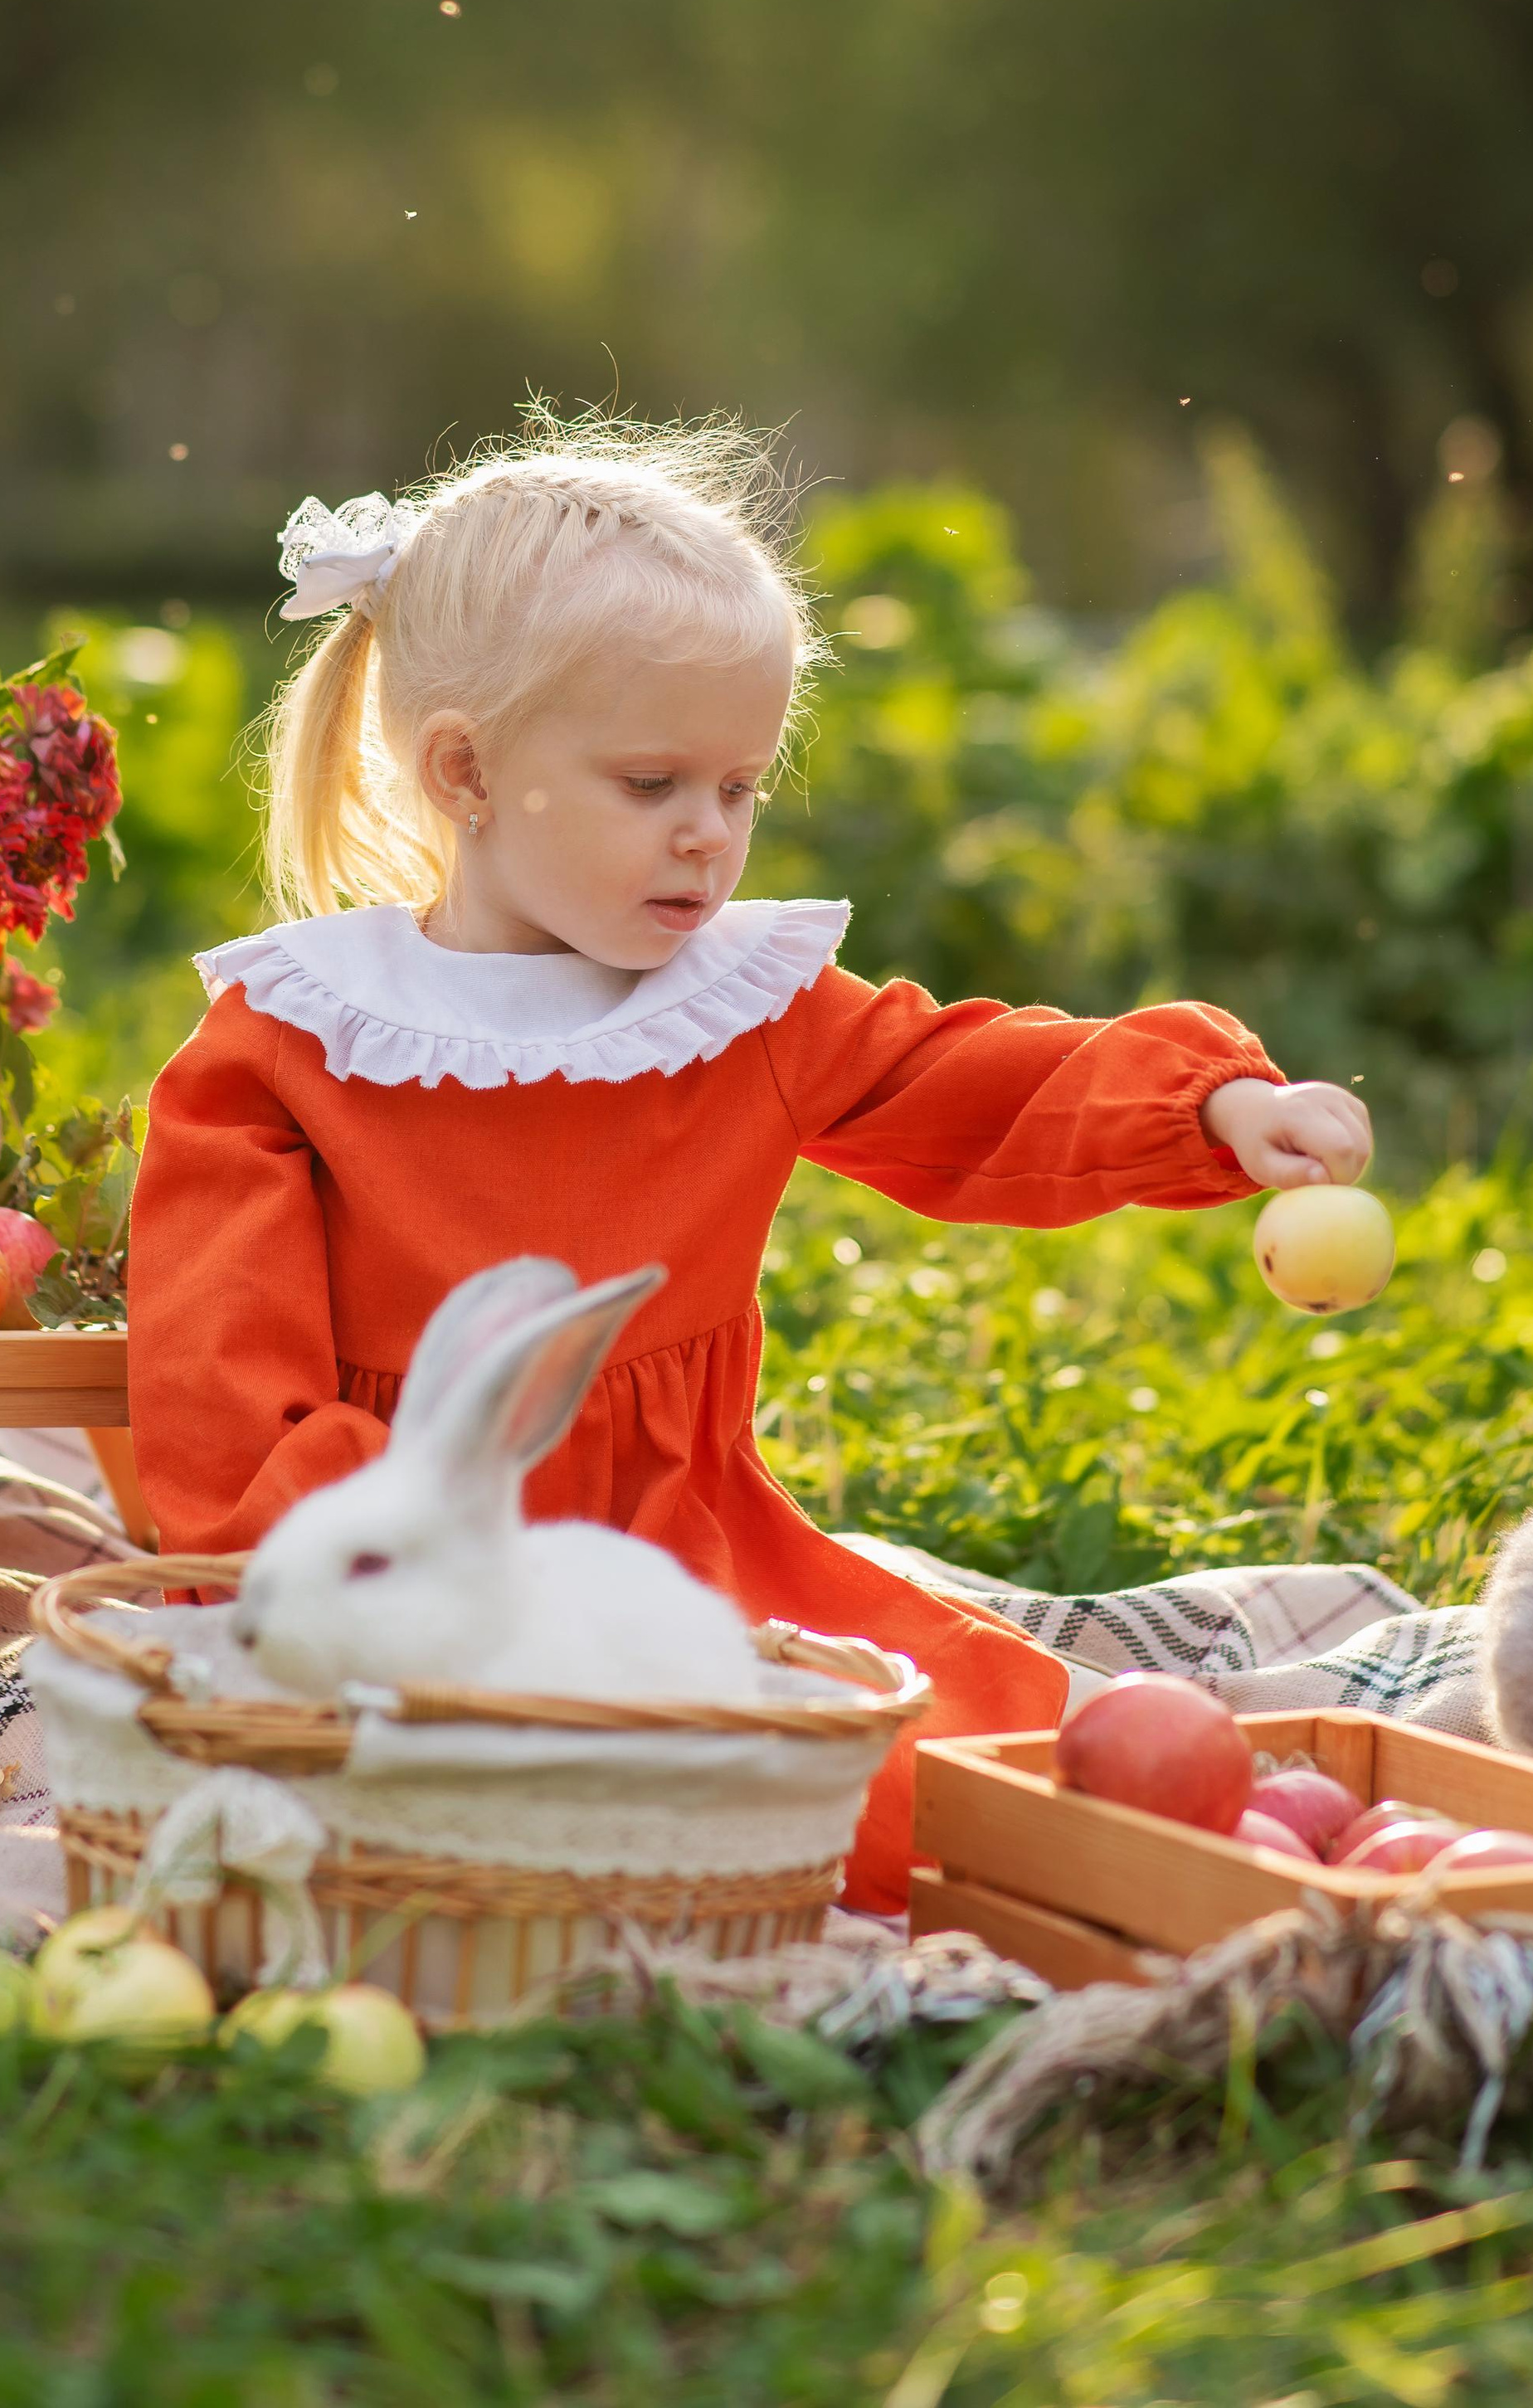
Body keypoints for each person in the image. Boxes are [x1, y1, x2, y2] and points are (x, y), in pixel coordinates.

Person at [127, 418, 1371, 1908]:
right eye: (653, 786)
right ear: (464, 771)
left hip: (687, 1554)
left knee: (957, 1780)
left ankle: (1238, 1867)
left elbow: (964, 1083)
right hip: (405, 1590)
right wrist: (373, 1607)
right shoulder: (291, 1048)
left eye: (740, 786)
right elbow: (224, 1403)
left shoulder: (735, 1006)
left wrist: (1211, 1106)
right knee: (494, 1816)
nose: (709, 839)